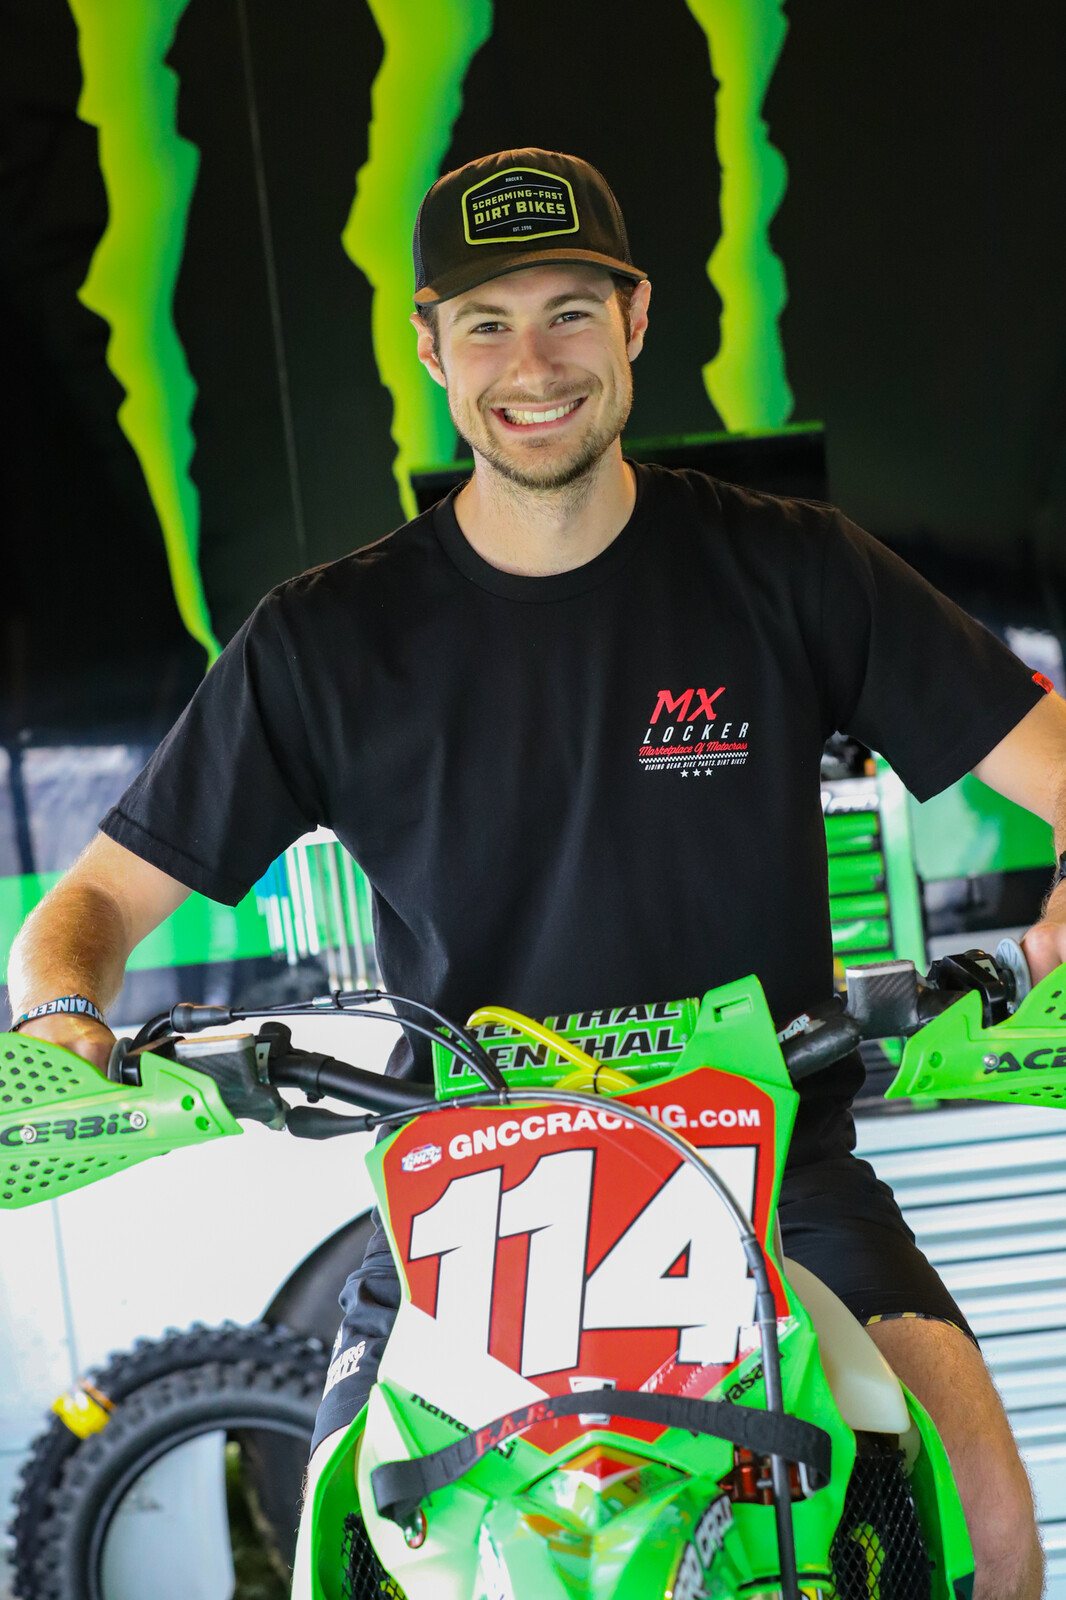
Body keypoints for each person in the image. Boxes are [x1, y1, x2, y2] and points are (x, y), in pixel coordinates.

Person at [8, 148, 1066, 1598]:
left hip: (771, 1173)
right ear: (431, 347)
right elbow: (90, 907)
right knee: (350, 1555)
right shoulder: (324, 643)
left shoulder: (795, 570)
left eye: (570, 311)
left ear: (635, 318)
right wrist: (62, 1015)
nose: (534, 364)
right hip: (472, 1197)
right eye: (488, 323)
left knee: (990, 1537)